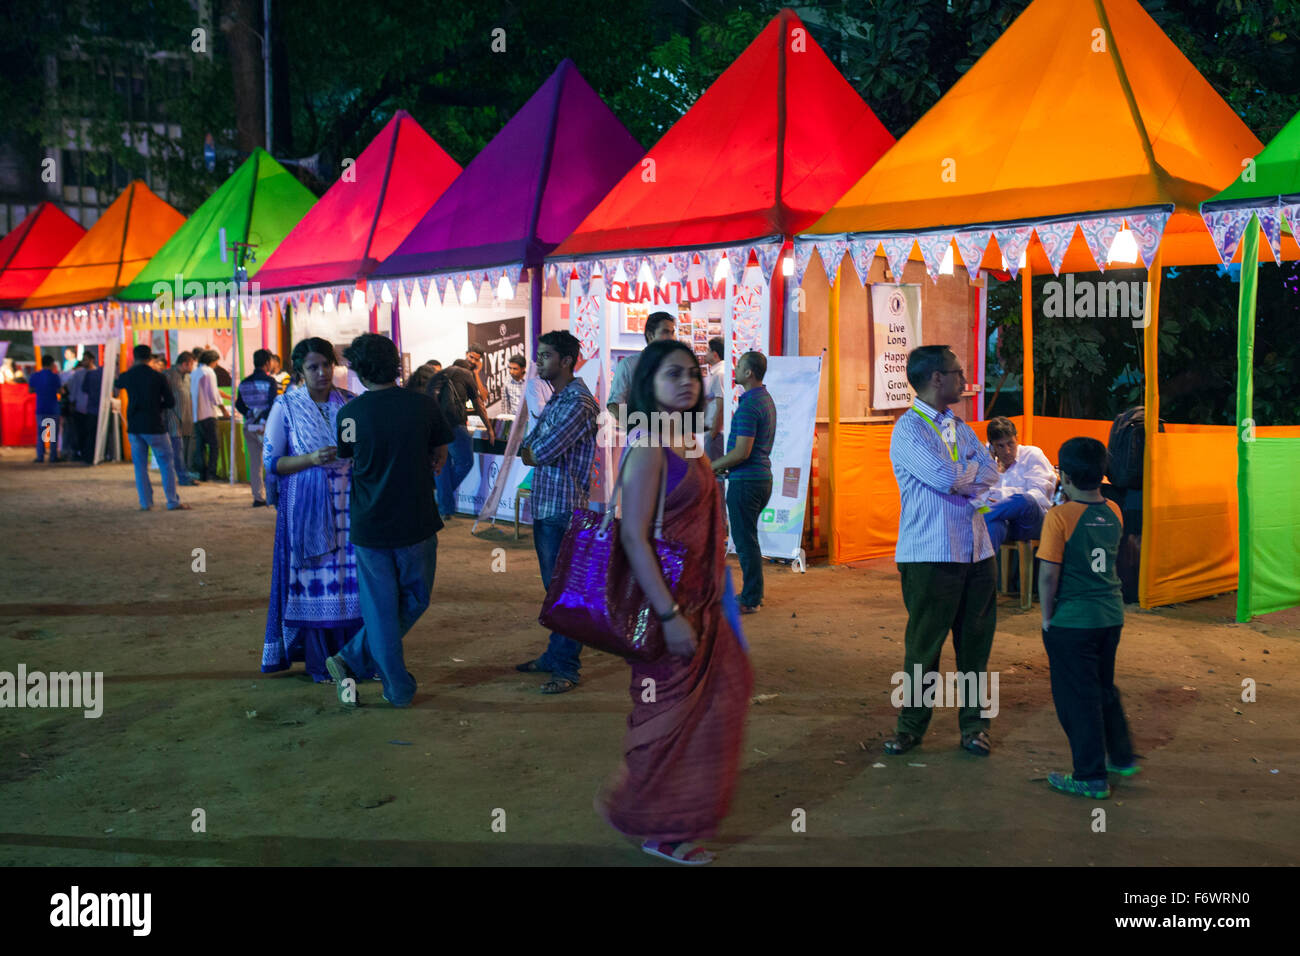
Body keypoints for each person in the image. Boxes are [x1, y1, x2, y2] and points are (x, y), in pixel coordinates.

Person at [597, 338, 754, 865]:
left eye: (692, 372)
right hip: (669, 606)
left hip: (706, 600)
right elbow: (634, 538)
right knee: (667, 718)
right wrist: (668, 616)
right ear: (649, 384)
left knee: (723, 695)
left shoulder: (688, 443)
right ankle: (653, 823)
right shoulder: (648, 448)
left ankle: (676, 815)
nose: (687, 382)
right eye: (672, 374)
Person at [325, 334, 453, 708]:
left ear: (359, 370)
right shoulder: (423, 406)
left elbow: (349, 457)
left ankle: (352, 659)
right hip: (416, 519)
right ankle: (393, 685)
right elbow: (440, 452)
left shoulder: (350, 414)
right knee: (415, 599)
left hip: (369, 522)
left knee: (381, 609)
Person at [884, 345, 1000, 758]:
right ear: (936, 378)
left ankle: (974, 727)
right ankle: (911, 727)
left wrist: (968, 473)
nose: (963, 379)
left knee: (975, 649)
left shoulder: (959, 426)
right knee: (924, 648)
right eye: (957, 372)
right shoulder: (909, 429)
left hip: (976, 553)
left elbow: (991, 471)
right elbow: (943, 476)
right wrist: (971, 473)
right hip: (931, 555)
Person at [1038, 436, 1138, 798]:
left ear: (1063, 475)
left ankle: (1090, 775)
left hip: (1073, 621)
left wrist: (1047, 617)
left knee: (1077, 699)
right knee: (1102, 688)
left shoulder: (1059, 517)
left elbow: (1049, 575)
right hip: (1110, 616)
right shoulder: (1114, 510)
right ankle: (1121, 756)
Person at [261, 338, 362, 683]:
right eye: (313, 367)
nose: (322, 373)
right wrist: (311, 459)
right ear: (300, 371)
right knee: (315, 580)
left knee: (351, 582)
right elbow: (272, 463)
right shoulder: (286, 407)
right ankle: (322, 661)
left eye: (327, 365)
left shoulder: (348, 405)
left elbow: (358, 450)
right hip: (306, 504)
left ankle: (355, 658)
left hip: (349, 505)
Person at [515, 330, 599, 694]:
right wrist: (532, 450)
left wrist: (533, 451)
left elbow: (541, 451)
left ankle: (566, 667)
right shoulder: (559, 398)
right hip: (548, 504)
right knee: (555, 591)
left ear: (566, 360)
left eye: (546, 355)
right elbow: (527, 445)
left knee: (565, 592)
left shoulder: (578, 402)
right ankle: (555, 656)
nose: (539, 362)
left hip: (565, 507)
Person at [710, 351, 776, 614]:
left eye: (738, 367)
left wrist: (711, 466)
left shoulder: (750, 405)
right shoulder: (764, 399)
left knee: (745, 541)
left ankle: (750, 598)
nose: (734, 370)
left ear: (749, 373)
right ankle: (753, 593)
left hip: (747, 481)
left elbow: (741, 452)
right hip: (759, 479)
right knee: (749, 539)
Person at [113, 344, 189, 511]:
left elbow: (117, 382)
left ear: (134, 357)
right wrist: (158, 405)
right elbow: (170, 402)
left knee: (140, 467)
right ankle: (172, 501)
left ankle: (146, 502)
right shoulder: (158, 377)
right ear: (150, 358)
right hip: (154, 425)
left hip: (134, 426)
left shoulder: (129, 375)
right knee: (166, 464)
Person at [981, 416, 1057, 553]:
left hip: (1031, 522)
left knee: (1026, 500)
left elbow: (1039, 497)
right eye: (1000, 446)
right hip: (1005, 523)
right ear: (992, 446)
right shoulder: (985, 460)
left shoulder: (1032, 455)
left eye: (1010, 443)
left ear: (1017, 438)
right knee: (994, 525)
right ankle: (984, 573)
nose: (1007, 451)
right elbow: (978, 496)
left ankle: (976, 520)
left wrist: (1004, 498)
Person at [429, 359, 493, 519]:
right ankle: (442, 495)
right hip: (455, 426)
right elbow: (475, 402)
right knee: (465, 462)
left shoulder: (441, 376)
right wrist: (488, 427)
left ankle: (445, 507)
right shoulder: (466, 375)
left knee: (442, 465)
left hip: (436, 425)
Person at [606, 311, 677, 419]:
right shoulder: (628, 365)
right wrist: (634, 425)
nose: (671, 338)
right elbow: (613, 404)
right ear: (650, 335)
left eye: (672, 332)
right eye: (665, 332)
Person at [236, 349, 278, 507]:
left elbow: (238, 403)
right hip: (266, 426)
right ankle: (273, 495)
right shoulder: (270, 382)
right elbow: (273, 403)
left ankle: (258, 497)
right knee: (271, 461)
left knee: (255, 463)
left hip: (249, 426)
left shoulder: (244, 382)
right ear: (267, 363)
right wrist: (262, 417)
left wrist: (250, 413)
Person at [190, 350, 224, 481]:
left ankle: (202, 473)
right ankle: (211, 472)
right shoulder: (209, 372)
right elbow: (213, 394)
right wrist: (223, 409)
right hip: (208, 413)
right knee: (214, 445)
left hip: (196, 415)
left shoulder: (195, 372)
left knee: (200, 446)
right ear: (212, 361)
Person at [164, 352, 197, 484]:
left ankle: (183, 475)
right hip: (172, 419)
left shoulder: (188, 377)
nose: (193, 367)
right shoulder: (167, 376)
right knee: (177, 449)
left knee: (183, 450)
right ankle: (182, 478)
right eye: (192, 364)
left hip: (187, 419)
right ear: (185, 364)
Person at [28, 355, 63, 463]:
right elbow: (60, 391)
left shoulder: (35, 376)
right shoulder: (55, 376)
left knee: (41, 434)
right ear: (51, 364)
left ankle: (40, 456)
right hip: (52, 408)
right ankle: (53, 456)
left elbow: (30, 390)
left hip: (41, 408)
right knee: (52, 434)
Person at [703, 337, 726, 463]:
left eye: (708, 350)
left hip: (716, 434)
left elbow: (720, 406)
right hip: (713, 432)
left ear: (715, 354)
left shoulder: (720, 374)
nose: (706, 353)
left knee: (714, 473)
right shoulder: (716, 373)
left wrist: (713, 434)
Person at [76, 354, 103, 465]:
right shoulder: (100, 373)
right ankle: (50, 453)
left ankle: (45, 453)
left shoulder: (84, 374)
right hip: (94, 408)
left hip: (88, 408)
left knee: (89, 434)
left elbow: (83, 389)